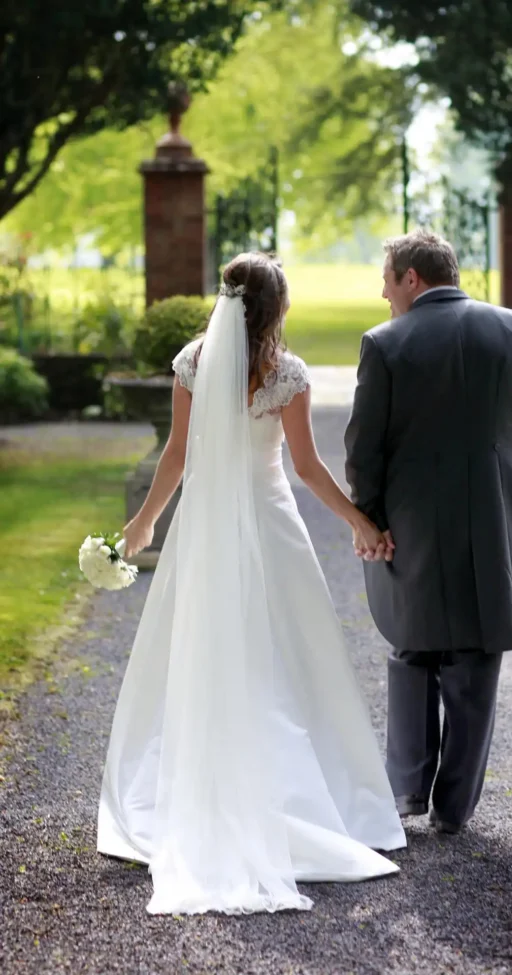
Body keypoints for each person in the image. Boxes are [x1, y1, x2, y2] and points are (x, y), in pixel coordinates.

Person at [97, 252, 405, 916]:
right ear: (278, 307)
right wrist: (360, 519)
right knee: (291, 656)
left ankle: (209, 786)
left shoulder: (192, 362)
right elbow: (307, 468)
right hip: (270, 525)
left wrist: (144, 521)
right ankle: (305, 793)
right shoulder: (286, 374)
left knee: (207, 651)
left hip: (206, 525)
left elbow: (177, 454)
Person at [345, 229, 512, 833]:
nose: (384, 295)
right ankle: (454, 809)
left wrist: (372, 518)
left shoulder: (384, 344)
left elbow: (364, 449)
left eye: (387, 282)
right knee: (475, 659)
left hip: (411, 524)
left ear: (412, 277)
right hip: (493, 520)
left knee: (412, 649)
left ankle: (408, 789)